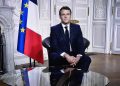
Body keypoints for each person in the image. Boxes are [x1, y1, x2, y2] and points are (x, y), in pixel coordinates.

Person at [50, 6, 91, 86]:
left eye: (67, 14)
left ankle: (77, 80)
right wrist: (66, 56)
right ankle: (60, 81)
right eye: (63, 14)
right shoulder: (54, 29)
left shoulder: (76, 27)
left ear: (70, 15)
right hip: (62, 55)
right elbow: (54, 46)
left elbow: (80, 44)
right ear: (60, 16)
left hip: (75, 55)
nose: (65, 16)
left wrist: (78, 57)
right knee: (54, 56)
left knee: (87, 59)